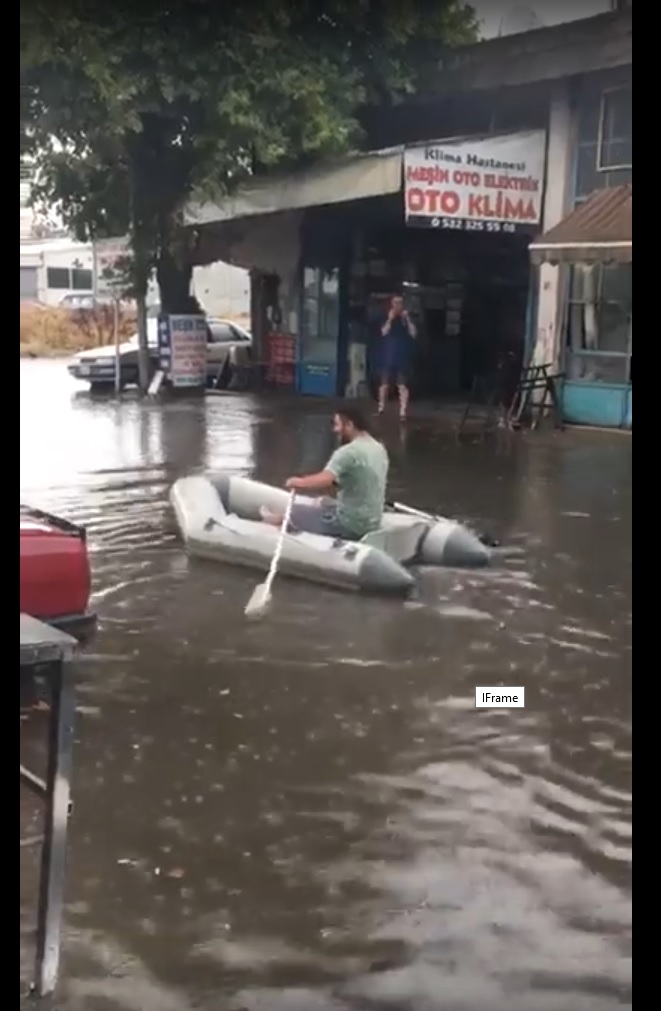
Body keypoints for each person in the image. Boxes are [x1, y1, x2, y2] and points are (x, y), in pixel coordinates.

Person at [260, 405, 389, 541]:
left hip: (349, 525)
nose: (335, 430)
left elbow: (325, 479)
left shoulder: (348, 452)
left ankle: (277, 522)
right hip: (371, 522)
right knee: (323, 502)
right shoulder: (379, 448)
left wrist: (298, 482)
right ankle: (278, 518)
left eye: (338, 425)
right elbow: (357, 481)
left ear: (350, 425)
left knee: (293, 511)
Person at [377, 294, 417, 420]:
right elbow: (383, 332)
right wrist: (390, 319)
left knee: (402, 385)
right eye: (395, 303)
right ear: (392, 304)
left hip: (402, 357)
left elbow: (414, 334)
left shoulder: (405, 319)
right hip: (389, 356)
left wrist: (408, 319)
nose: (398, 305)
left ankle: (403, 411)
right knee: (384, 384)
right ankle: (381, 408)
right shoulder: (387, 316)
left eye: (400, 303)